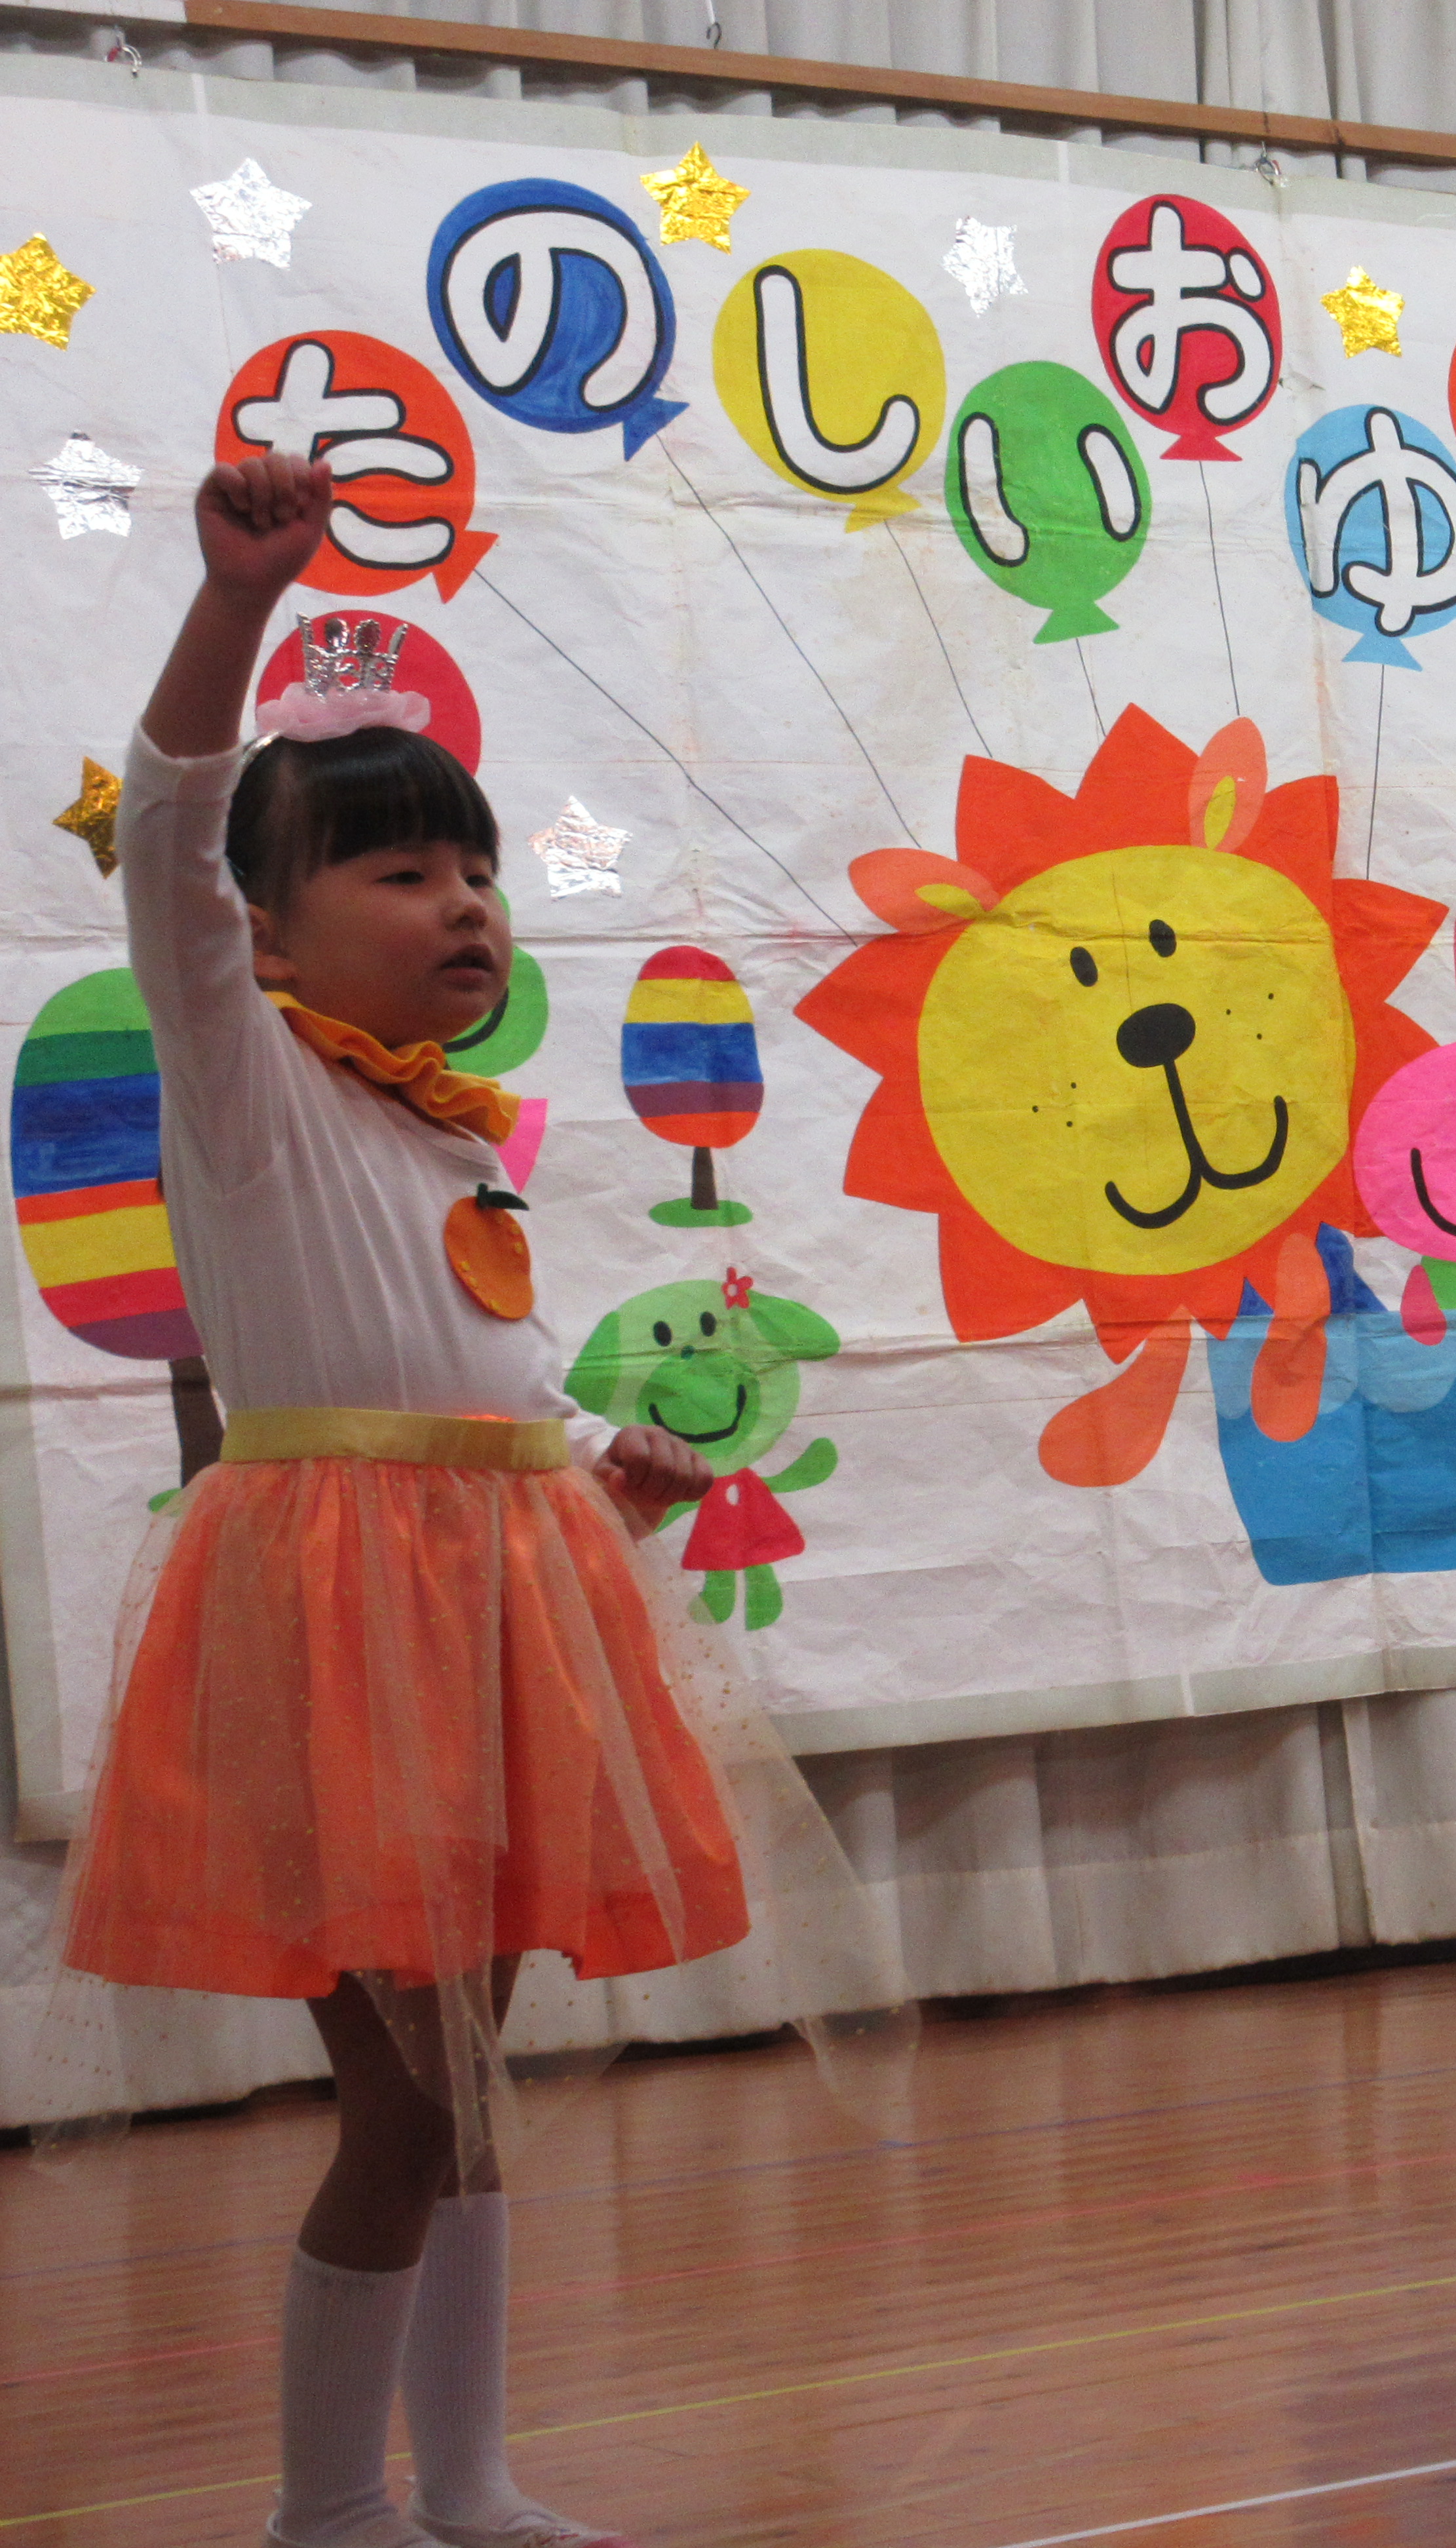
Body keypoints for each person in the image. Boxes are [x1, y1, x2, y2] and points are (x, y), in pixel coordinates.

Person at [50, 454, 902, 2548]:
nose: (463, 906)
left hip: (490, 1618)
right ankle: (327, 2509)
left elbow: (474, 1400)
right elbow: (168, 833)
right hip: (341, 1637)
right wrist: (238, 606)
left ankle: (470, 2483)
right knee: (410, 2105)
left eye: (476, 872)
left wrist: (611, 1485)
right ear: (265, 930)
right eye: (401, 870)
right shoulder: (244, 1073)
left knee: (468, 2099)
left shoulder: (450, 1135)